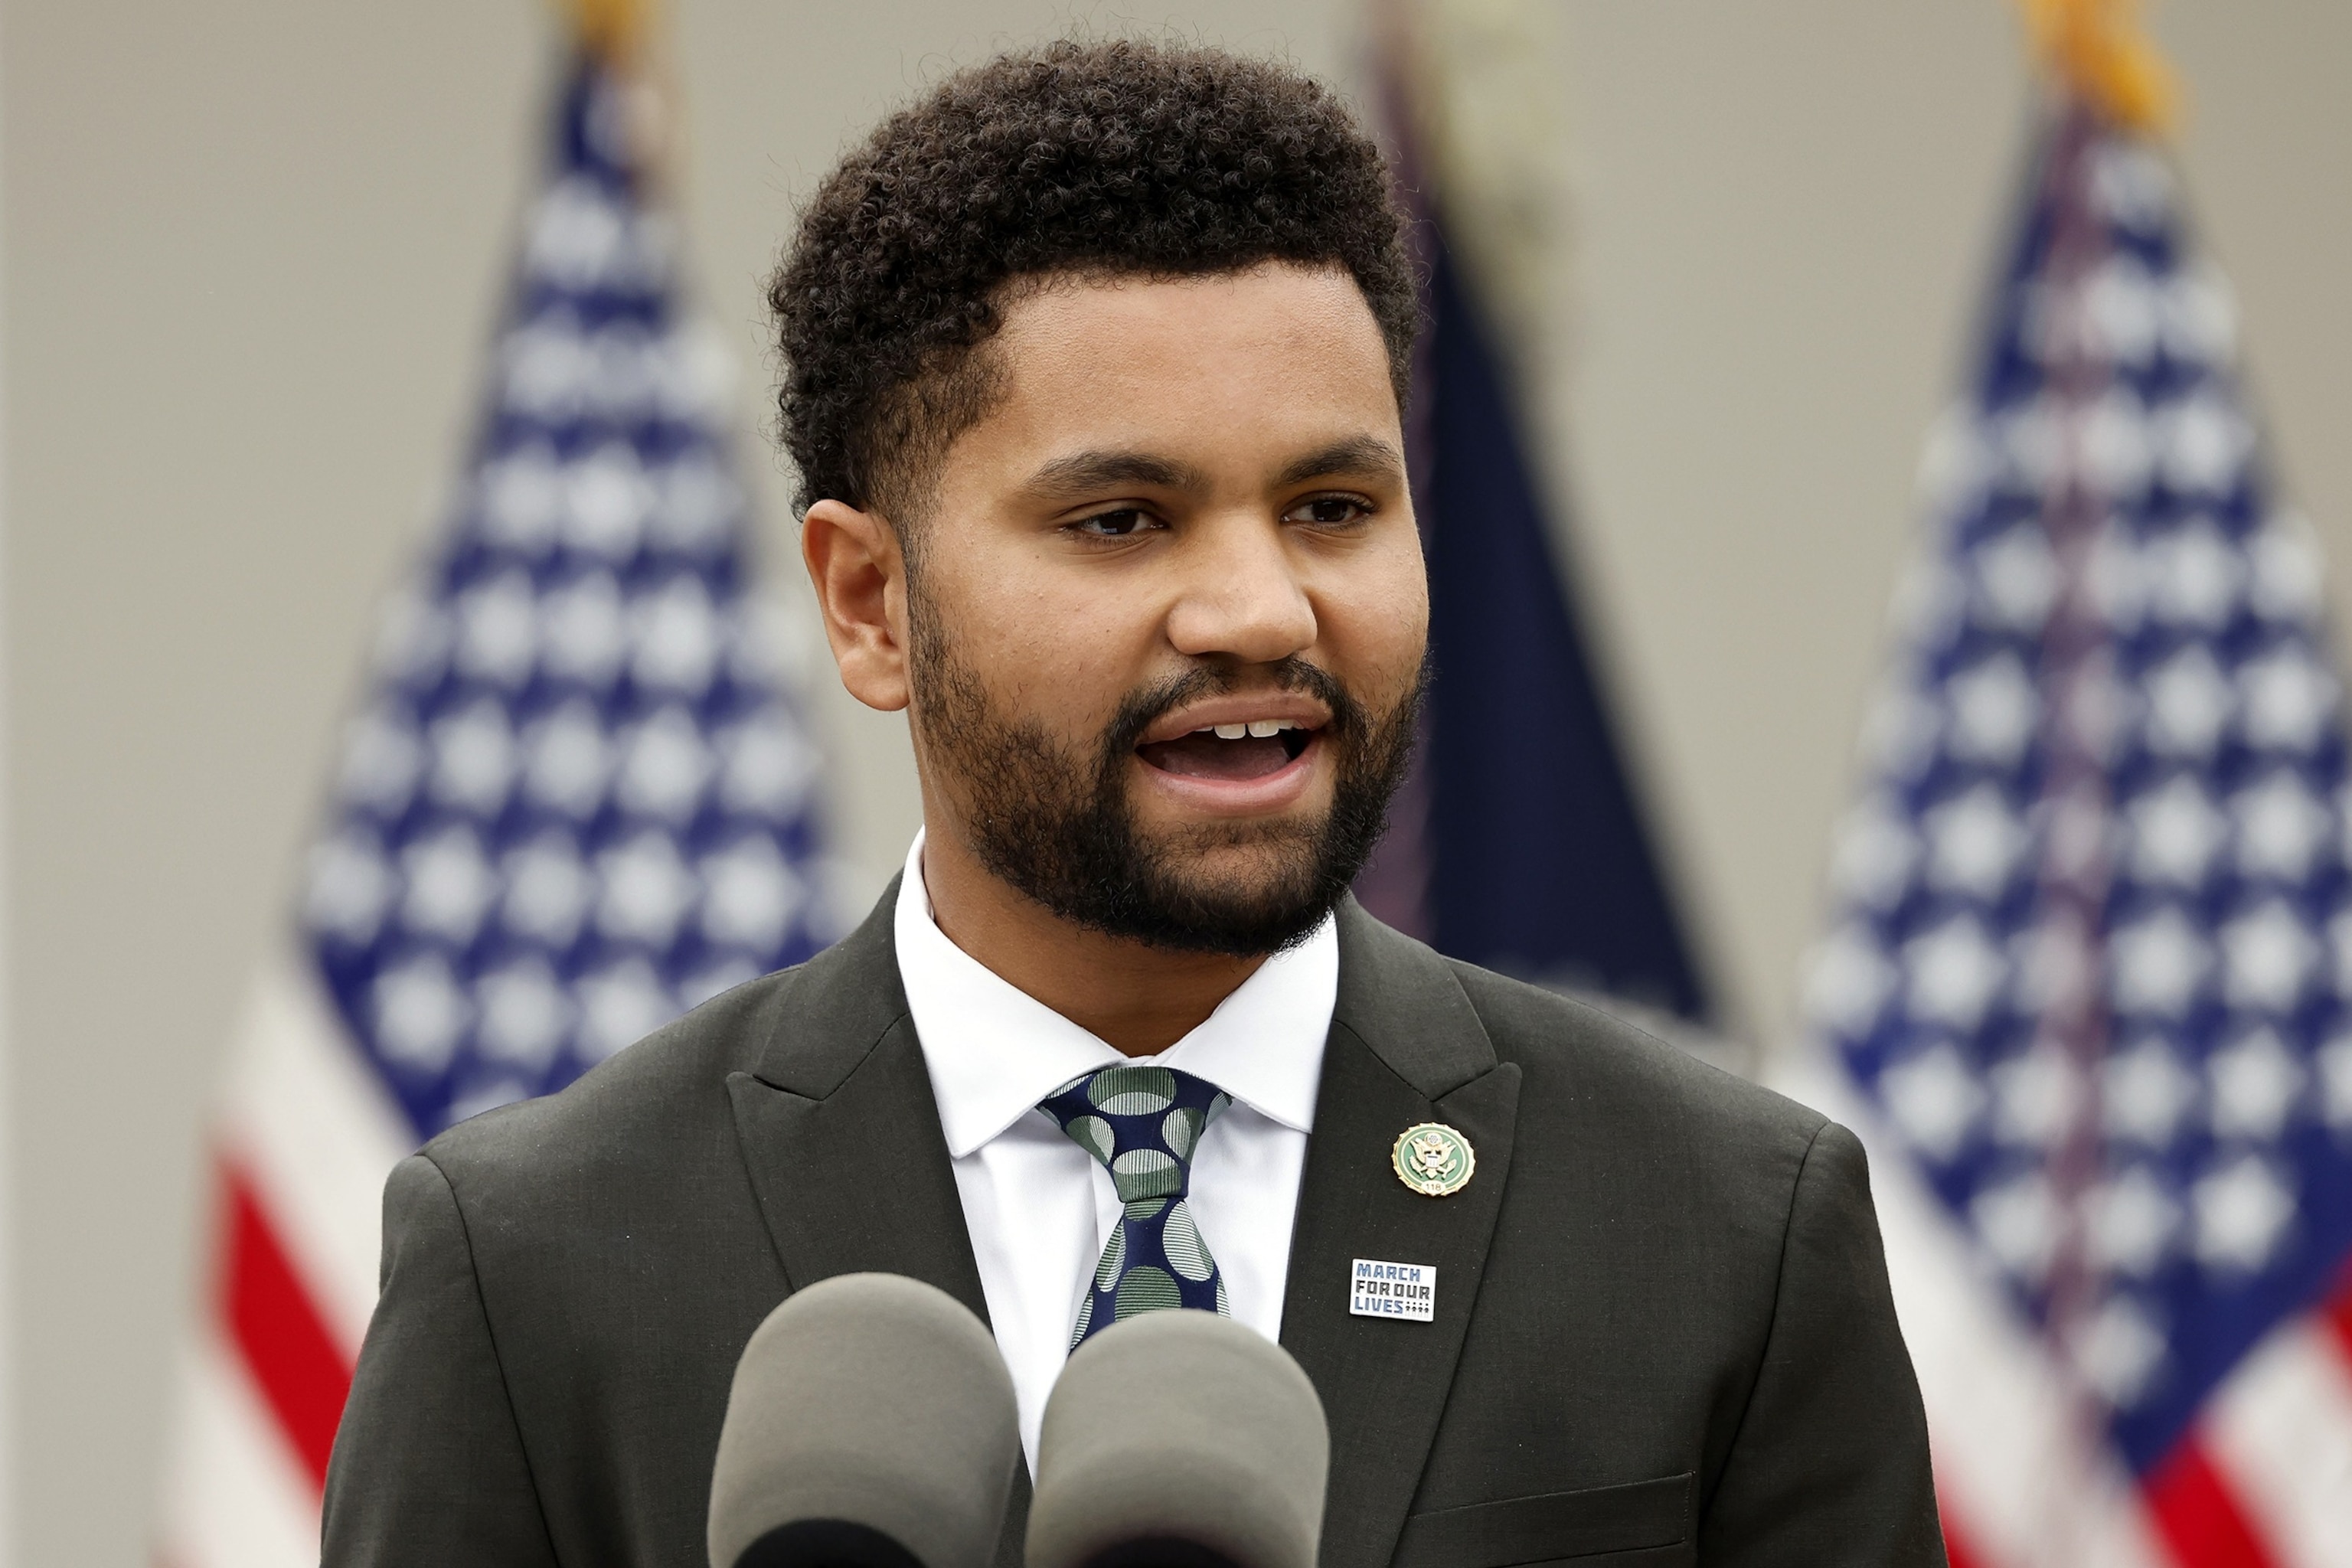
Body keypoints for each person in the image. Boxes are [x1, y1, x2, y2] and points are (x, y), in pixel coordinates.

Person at [324, 38, 1944, 1568]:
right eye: (1121, 519)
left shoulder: (1725, 1231)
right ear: (872, 603)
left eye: (1333, 505)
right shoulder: (533, 1268)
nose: (1261, 608)